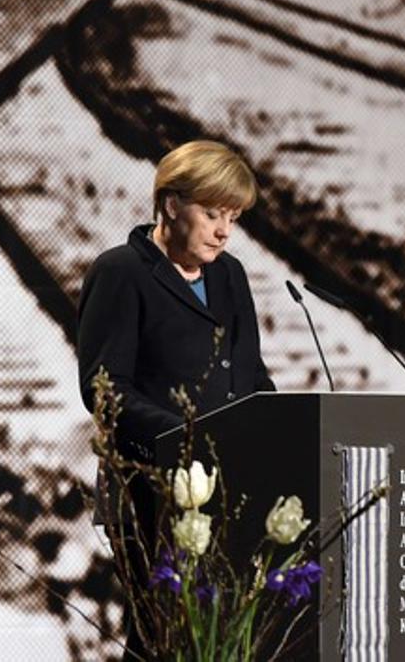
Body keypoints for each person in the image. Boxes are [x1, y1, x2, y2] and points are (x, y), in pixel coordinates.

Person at [77, 138, 276, 468]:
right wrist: (188, 438)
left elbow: (250, 372)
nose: (224, 232)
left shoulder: (230, 273)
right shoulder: (119, 272)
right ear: (171, 205)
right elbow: (105, 391)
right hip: (153, 481)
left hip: (234, 477)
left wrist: (276, 426)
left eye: (233, 218)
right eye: (212, 214)